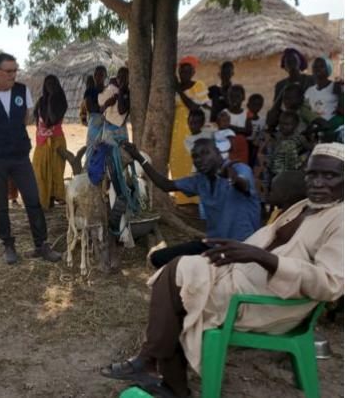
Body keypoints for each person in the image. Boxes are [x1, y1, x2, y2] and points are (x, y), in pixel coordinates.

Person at [101, 143, 343, 398]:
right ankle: (157, 369)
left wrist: (260, 257)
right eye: (313, 174)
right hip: (244, 273)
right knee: (174, 270)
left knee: (177, 282)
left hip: (268, 301)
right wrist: (244, 252)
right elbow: (167, 185)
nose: (318, 182)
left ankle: (158, 370)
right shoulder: (306, 206)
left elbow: (331, 284)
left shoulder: (339, 219)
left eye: (330, 176)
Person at [0, 53, 61, 264]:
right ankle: (8, 246)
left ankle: (42, 245)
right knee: (0, 204)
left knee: (32, 199)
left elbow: (25, 117)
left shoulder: (22, 91)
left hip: (20, 157)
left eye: (15, 70)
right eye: (8, 71)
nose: (13, 75)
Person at [123, 139, 260, 269]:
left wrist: (232, 177)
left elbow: (244, 184)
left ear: (218, 153)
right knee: (157, 258)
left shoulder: (239, 168)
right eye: (195, 156)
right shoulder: (200, 180)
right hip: (213, 246)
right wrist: (139, 158)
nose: (199, 160)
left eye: (205, 153)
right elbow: (166, 185)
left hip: (244, 247)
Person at [170, 56, 210, 205]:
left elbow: (194, 107)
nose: (183, 74)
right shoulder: (174, 89)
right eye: (181, 71)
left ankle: (196, 200)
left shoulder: (198, 86)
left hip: (193, 131)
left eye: (187, 71)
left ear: (193, 72)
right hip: (176, 132)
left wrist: (179, 90)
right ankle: (182, 200)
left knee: (193, 163)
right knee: (178, 162)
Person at [32, 75, 68, 210]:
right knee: (39, 169)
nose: (50, 86)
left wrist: (51, 100)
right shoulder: (41, 101)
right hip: (42, 142)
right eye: (48, 84)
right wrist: (41, 134)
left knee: (55, 171)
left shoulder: (61, 102)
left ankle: (51, 200)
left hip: (56, 141)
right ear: (44, 86)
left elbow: (52, 119)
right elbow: (38, 120)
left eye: (53, 84)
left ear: (57, 85)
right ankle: (43, 200)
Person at [266, 48, 315, 130]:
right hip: (289, 119)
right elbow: (276, 107)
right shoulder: (281, 85)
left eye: (294, 60)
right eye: (287, 61)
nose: (291, 63)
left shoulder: (310, 80)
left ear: (300, 62)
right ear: (284, 66)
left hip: (308, 116)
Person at [304, 56, 344, 143]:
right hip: (315, 131)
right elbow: (306, 110)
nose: (317, 68)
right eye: (315, 66)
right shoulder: (309, 91)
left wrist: (341, 93)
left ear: (328, 69)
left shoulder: (337, 87)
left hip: (334, 130)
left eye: (322, 66)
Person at [266, 110, 310, 178]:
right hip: (274, 173)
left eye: (287, 124)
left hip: (290, 175)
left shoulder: (299, 138)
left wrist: (302, 165)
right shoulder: (276, 137)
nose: (283, 126)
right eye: (281, 123)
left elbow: (310, 151)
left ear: (296, 125)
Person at [83, 66, 108, 165]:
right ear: (94, 76)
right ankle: (88, 170)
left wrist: (103, 107)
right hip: (94, 121)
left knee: (105, 146)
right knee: (92, 146)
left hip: (107, 122)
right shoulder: (90, 91)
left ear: (105, 76)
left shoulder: (108, 90)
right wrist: (105, 106)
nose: (99, 77)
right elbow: (90, 108)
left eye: (101, 74)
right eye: (97, 74)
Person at [224, 85, 252, 164]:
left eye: (237, 96)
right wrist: (241, 130)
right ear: (228, 98)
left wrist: (230, 127)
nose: (234, 99)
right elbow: (222, 129)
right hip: (227, 150)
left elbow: (249, 131)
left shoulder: (247, 113)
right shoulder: (224, 113)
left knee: (242, 171)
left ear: (243, 97)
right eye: (231, 97)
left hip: (242, 150)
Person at [246, 93, 266, 167]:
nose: (256, 107)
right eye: (253, 104)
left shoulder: (262, 121)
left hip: (255, 146)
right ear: (248, 105)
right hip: (245, 144)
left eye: (258, 105)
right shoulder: (244, 118)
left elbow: (261, 135)